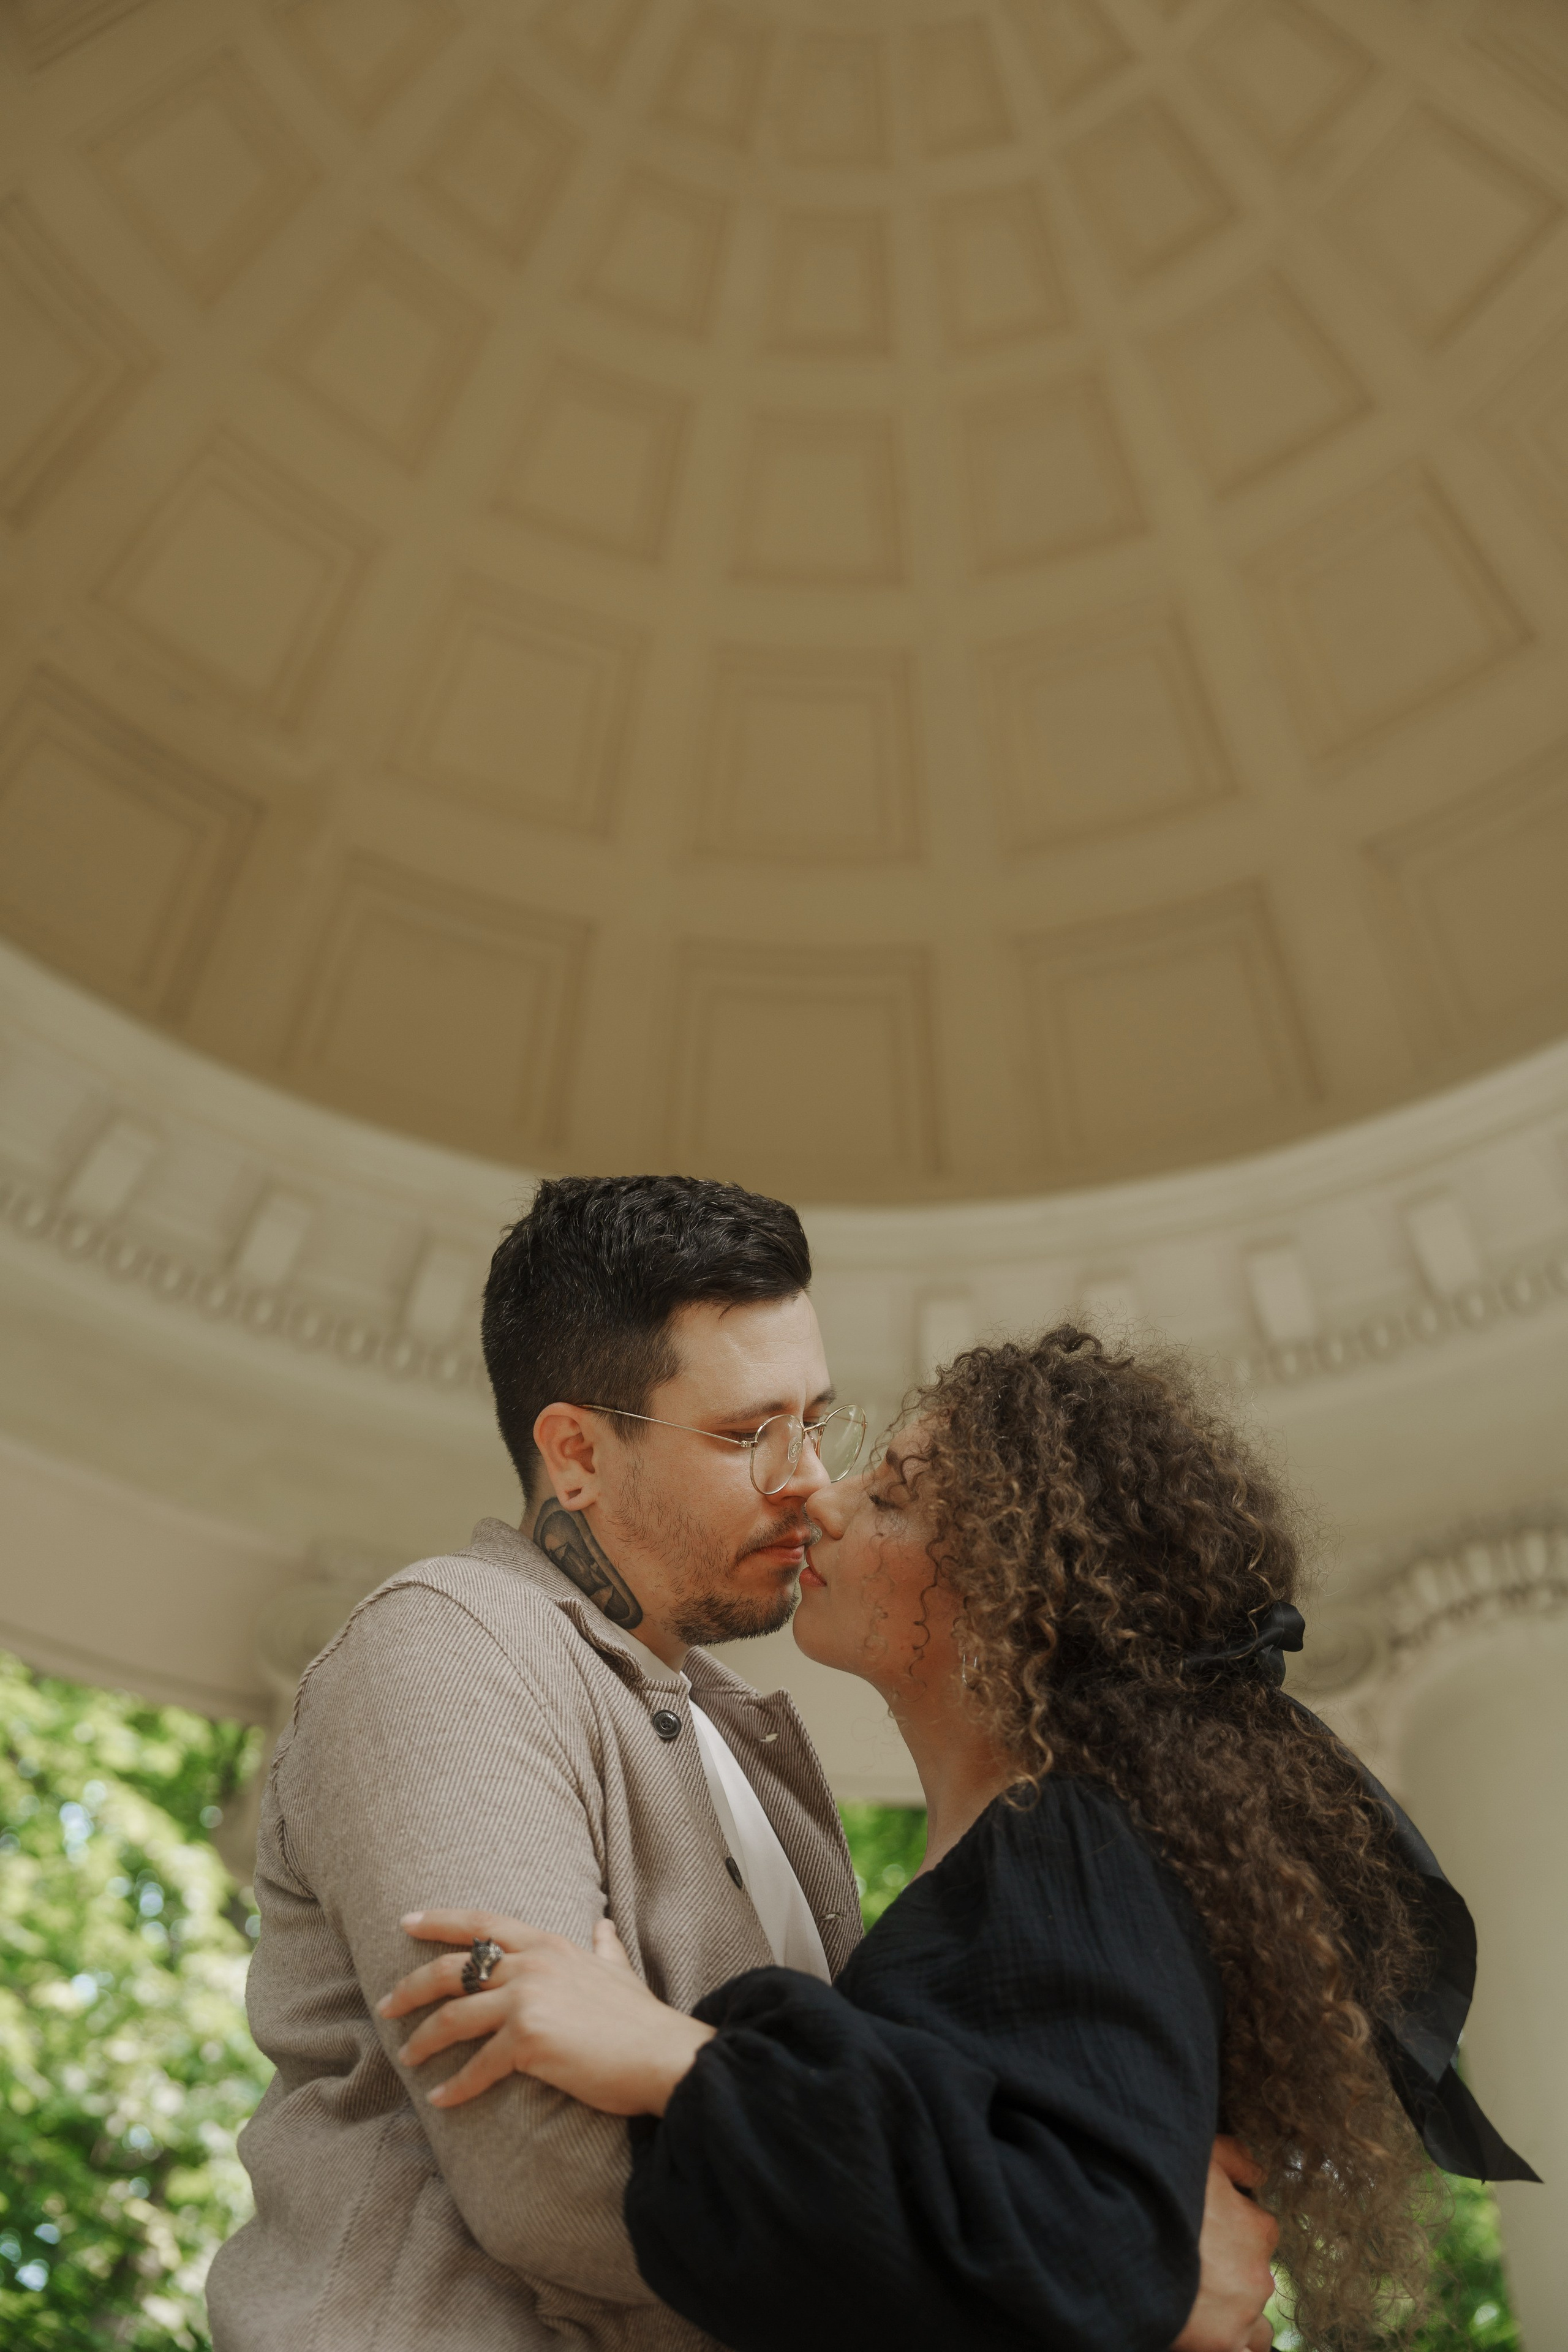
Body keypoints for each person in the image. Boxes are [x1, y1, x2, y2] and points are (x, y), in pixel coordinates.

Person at [208, 1180, 1277, 2351]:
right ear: (575, 1453)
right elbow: (548, 2177)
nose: (807, 1480)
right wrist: (1098, 2279)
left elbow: (892, 2137)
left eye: (816, 1420)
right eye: (743, 1435)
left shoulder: (756, 1751)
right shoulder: (451, 1642)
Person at [382, 1326, 1537, 2352]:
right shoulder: (1026, 1854)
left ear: (1016, 1590)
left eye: (891, 1496)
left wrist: (670, 2058)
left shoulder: (1071, 1841)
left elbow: (1109, 2252)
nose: (821, 1500)